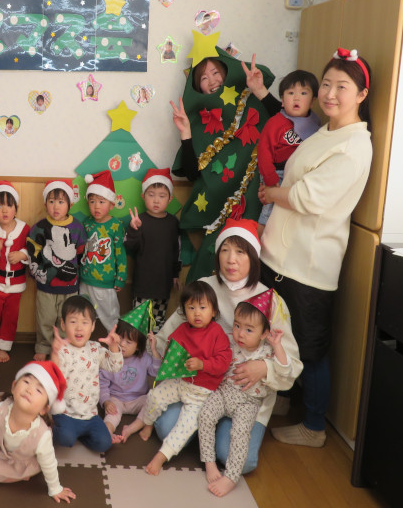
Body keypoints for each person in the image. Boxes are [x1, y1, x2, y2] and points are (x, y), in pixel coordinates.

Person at [259, 48, 373, 448]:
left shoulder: (354, 145)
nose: (329, 94)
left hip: (307, 265)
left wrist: (271, 193)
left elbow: (306, 197)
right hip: (281, 256)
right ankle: (281, 401)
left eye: (342, 87)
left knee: (310, 349)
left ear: (361, 95)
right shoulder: (326, 132)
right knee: (277, 337)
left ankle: (313, 427)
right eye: (325, 84)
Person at [154, 218, 302, 474]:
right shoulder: (204, 288)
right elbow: (167, 336)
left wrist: (264, 367)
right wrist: (134, 345)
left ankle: (205, 432)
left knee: (240, 461)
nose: (231, 260)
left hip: (244, 397)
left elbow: (292, 362)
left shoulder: (270, 300)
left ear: (253, 257)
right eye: (225, 250)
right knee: (165, 428)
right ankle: (200, 427)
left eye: (240, 252)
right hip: (197, 386)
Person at [123, 281, 232, 475]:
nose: (197, 313)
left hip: (201, 393)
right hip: (179, 382)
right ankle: (148, 423)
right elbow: (171, 350)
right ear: (184, 310)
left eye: (202, 308)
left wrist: (202, 364)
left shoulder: (217, 333)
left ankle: (161, 456)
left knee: (185, 427)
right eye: (191, 308)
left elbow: (223, 363)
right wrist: (171, 355)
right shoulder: (182, 329)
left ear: (214, 311)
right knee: (154, 396)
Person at [199, 294, 291, 497]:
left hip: (248, 402)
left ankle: (231, 477)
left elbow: (285, 371)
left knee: (239, 434)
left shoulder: (268, 351)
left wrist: (277, 345)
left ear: (264, 333)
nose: (240, 334)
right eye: (237, 326)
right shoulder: (229, 343)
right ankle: (209, 461)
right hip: (224, 393)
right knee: (205, 415)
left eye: (249, 330)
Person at [0, 361, 76, 503]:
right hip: (0, 446)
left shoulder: (42, 435)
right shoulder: (0, 409)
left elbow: (49, 464)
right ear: (14, 386)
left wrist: (55, 488)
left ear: (44, 409)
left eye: (38, 390)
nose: (29, 390)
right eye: (26, 382)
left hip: (25, 461)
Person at [171, 54, 282, 182]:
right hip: (217, 192)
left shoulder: (250, 99)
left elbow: (287, 121)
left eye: (215, 73)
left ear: (226, 74)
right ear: (198, 86)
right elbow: (192, 175)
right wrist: (185, 133)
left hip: (260, 186)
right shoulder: (201, 120)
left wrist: (260, 90)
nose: (212, 81)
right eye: (204, 78)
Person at [50, 295, 122, 453]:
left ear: (93, 326)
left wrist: (114, 347)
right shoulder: (62, 349)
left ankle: (80, 434)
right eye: (73, 322)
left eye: (85, 322)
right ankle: (50, 429)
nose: (79, 328)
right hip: (66, 413)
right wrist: (55, 352)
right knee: (66, 439)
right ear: (63, 324)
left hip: (90, 415)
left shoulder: (95, 348)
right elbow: (54, 375)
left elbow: (115, 366)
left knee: (104, 443)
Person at [26, 179, 87, 361]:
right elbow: (32, 251)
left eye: (61, 202)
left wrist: (78, 273)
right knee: (45, 317)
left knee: (66, 318)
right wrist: (36, 272)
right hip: (45, 284)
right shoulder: (39, 227)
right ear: (45, 204)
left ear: (70, 204)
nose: (55, 206)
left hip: (70, 285)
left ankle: (63, 346)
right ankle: (43, 345)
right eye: (51, 201)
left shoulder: (77, 227)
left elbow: (81, 251)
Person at [256, 70, 321, 236]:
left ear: (313, 101)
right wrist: (270, 180)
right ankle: (259, 242)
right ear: (283, 101)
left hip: (301, 177)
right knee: (269, 214)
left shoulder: (315, 124)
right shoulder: (276, 122)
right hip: (277, 174)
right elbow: (263, 153)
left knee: (292, 215)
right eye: (291, 93)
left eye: (303, 93)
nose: (296, 98)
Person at [125, 168, 181, 332]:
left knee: (158, 322)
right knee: (137, 322)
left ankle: (154, 347)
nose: (156, 200)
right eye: (151, 195)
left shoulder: (173, 223)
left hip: (163, 285)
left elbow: (176, 250)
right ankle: (137, 348)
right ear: (143, 196)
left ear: (170, 199)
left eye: (162, 196)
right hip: (142, 284)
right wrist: (134, 229)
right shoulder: (140, 220)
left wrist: (175, 274)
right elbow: (129, 246)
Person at [0, 181, 30, 363]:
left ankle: (4, 345)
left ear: (16, 208)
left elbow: (32, 249)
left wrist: (22, 254)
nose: (4, 210)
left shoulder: (24, 228)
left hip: (16, 284)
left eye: (9, 205)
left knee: (11, 316)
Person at [99, 305, 161, 443]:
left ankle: (131, 429)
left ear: (138, 346)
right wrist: (106, 401)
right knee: (111, 416)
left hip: (138, 399)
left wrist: (154, 351)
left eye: (128, 342)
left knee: (153, 402)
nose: (122, 344)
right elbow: (102, 384)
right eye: (120, 338)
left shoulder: (144, 358)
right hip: (116, 399)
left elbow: (156, 372)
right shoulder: (110, 357)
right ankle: (107, 433)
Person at [79, 170, 126, 332]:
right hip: (85, 280)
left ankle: (117, 341)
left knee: (111, 316)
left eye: (101, 201)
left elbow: (120, 253)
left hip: (105, 282)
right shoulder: (86, 223)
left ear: (111, 204)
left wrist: (121, 277)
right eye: (92, 201)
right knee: (82, 314)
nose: (96, 206)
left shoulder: (116, 225)